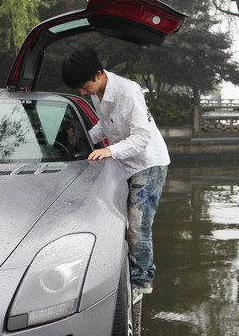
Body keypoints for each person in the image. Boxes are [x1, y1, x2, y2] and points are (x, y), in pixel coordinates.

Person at [62, 47, 169, 303]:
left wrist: (109, 150)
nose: (82, 92)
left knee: (137, 227)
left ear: (98, 74)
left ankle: (142, 282)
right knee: (125, 225)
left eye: (84, 86)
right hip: (125, 162)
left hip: (148, 163)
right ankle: (139, 273)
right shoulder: (98, 93)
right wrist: (84, 140)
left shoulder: (127, 92)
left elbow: (142, 137)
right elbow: (104, 124)